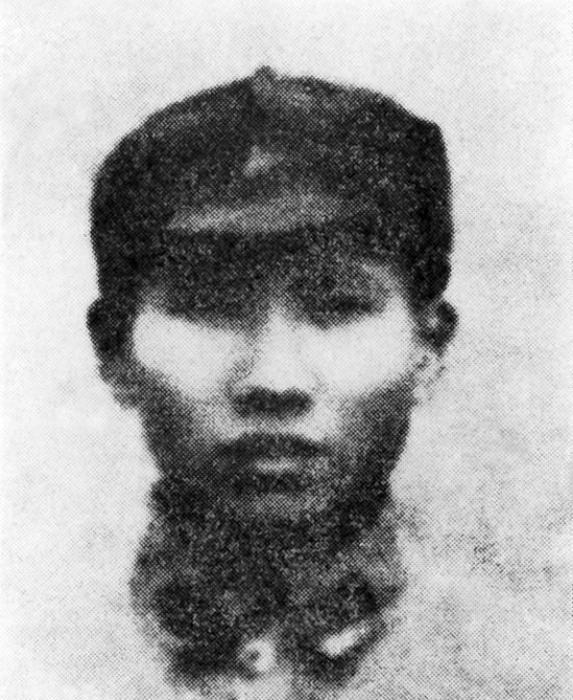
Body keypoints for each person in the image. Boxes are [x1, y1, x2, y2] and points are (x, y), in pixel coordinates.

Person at [87, 66, 457, 699]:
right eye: (206, 306)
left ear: (428, 349)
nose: (273, 379)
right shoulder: (34, 638)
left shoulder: (535, 648)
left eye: (338, 306)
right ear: (116, 352)